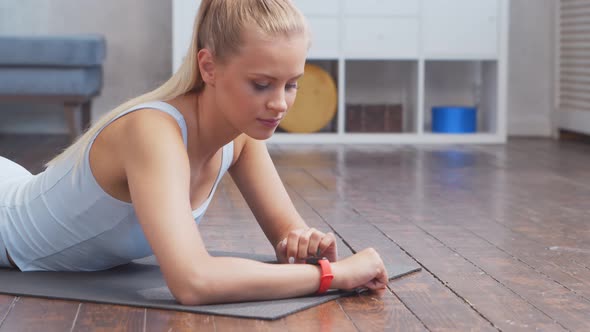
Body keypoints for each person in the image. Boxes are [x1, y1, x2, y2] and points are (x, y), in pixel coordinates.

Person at [0, 0, 388, 305]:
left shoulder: (241, 137)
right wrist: (332, 275)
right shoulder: (153, 132)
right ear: (209, 67)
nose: (280, 104)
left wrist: (307, 249)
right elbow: (193, 281)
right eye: (262, 84)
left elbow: (288, 240)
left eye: (291, 84)